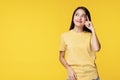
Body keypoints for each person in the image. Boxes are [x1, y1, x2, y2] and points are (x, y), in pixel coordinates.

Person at [59, 6, 101, 80]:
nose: (79, 18)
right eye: (77, 15)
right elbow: (61, 57)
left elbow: (97, 48)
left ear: (86, 19)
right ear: (73, 17)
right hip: (74, 77)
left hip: (91, 76)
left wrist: (92, 29)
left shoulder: (90, 35)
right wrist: (69, 69)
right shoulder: (64, 36)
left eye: (83, 16)